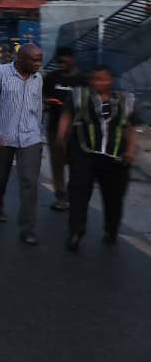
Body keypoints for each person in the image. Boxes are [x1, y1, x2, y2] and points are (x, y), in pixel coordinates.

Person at [59, 65, 141, 251]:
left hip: (116, 159)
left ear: (111, 80)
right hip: (84, 155)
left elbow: (131, 127)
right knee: (78, 195)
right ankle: (75, 233)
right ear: (91, 80)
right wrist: (61, 139)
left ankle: (111, 230)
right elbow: (66, 117)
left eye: (104, 79)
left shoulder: (125, 100)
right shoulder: (78, 95)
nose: (100, 83)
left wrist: (129, 151)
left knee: (114, 199)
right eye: (96, 79)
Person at [0, 43, 45, 246]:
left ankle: (28, 228)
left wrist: (38, 132)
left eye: (40, 59)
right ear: (20, 59)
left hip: (30, 138)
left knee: (30, 182)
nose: (38, 64)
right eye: (34, 60)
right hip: (4, 136)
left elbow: (38, 107)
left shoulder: (38, 79)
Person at [43, 47, 87, 212]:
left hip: (77, 131)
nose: (61, 64)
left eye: (64, 60)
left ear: (73, 59)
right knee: (57, 164)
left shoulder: (82, 80)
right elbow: (43, 98)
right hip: (54, 129)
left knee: (77, 165)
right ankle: (61, 197)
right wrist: (47, 102)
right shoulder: (52, 78)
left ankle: (74, 194)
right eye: (58, 61)